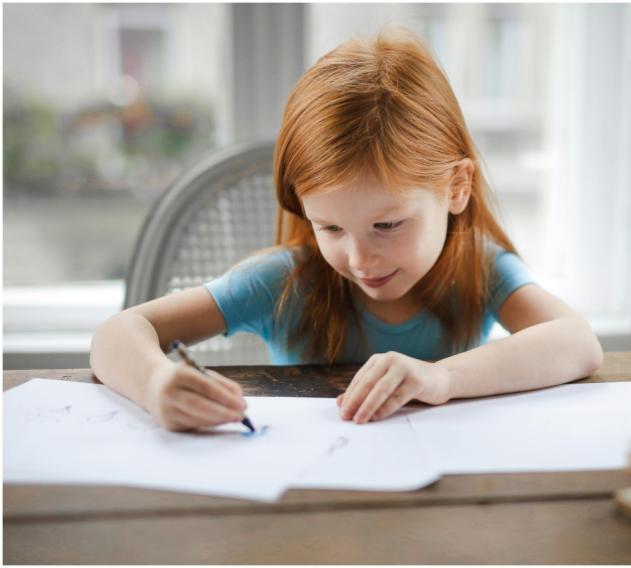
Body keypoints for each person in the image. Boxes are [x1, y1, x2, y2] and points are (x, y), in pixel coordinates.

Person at [90, 26, 603, 432]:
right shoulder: (282, 282)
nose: (359, 258)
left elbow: (578, 343)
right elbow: (118, 333)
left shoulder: (480, 266)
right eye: (329, 227)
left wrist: (442, 377)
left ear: (456, 188)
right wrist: (156, 383)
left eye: (387, 224)